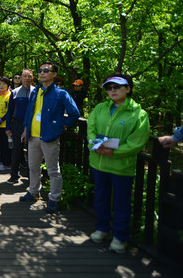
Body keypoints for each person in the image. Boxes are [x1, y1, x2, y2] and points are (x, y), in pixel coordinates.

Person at [87, 73, 150, 253]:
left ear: (128, 89)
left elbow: (137, 142)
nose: (112, 91)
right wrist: (96, 145)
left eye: (117, 87)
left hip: (121, 166)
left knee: (122, 203)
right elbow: (90, 128)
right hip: (98, 163)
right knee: (101, 198)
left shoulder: (139, 114)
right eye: (109, 88)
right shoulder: (100, 108)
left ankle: (120, 236)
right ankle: (103, 228)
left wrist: (113, 152)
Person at [20, 62, 80, 213]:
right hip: (33, 136)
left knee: (53, 170)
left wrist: (61, 125)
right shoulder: (36, 91)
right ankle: (33, 192)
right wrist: (26, 129)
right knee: (33, 167)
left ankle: (54, 199)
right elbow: (30, 112)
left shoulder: (61, 93)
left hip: (49, 136)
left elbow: (74, 113)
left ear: (54, 74)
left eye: (46, 71)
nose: (42, 73)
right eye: (40, 71)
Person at [5, 69, 34, 185]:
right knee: (16, 150)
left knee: (33, 151)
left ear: (33, 78)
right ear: (21, 78)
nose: (27, 78)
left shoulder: (37, 92)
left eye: (29, 76)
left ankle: (33, 178)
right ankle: (14, 175)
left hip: (33, 125)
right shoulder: (15, 92)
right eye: (24, 76)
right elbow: (10, 111)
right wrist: (8, 127)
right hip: (17, 124)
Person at [0, 76, 12, 171]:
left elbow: (10, 111)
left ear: (7, 85)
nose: (1, 85)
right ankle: (1, 160)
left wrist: (2, 119)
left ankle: (7, 163)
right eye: (0, 84)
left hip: (6, 125)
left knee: (6, 144)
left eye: (4, 84)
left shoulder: (9, 95)